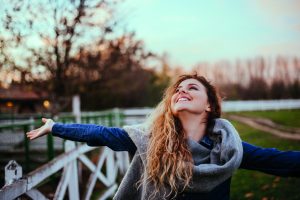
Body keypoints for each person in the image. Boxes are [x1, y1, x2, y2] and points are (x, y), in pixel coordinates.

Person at [27, 74, 300, 200]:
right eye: (178, 90)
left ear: (209, 105)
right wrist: (55, 127)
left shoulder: (227, 149)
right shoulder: (150, 141)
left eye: (192, 88)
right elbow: (103, 134)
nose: (181, 91)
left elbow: (277, 161)